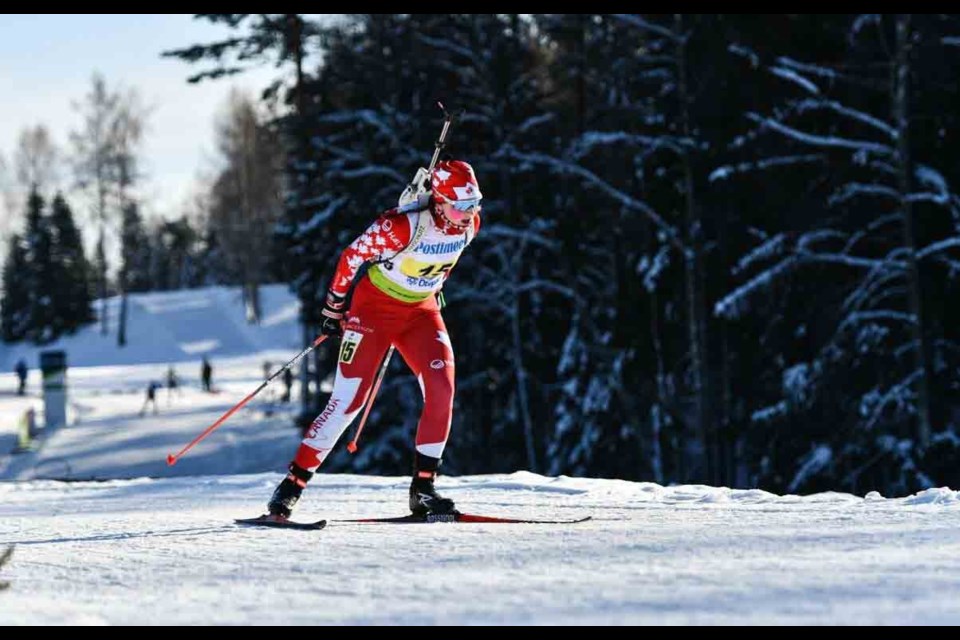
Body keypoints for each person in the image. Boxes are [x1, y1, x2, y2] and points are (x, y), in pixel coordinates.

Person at [266, 159, 483, 521]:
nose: (468, 213)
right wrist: (334, 307)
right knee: (346, 403)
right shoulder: (399, 227)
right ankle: (290, 487)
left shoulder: (470, 225)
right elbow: (352, 257)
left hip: (421, 313)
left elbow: (441, 261)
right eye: (460, 205)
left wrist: (432, 288)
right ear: (439, 199)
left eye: (474, 204)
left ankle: (424, 490)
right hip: (373, 311)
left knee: (442, 388)